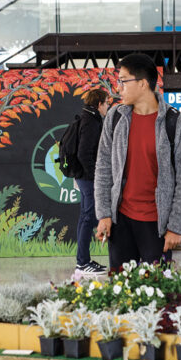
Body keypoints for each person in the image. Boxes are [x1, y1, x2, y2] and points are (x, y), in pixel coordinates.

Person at [94, 53, 181, 272]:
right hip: (120, 221)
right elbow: (103, 168)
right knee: (120, 292)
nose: (118, 87)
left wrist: (176, 227)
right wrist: (104, 214)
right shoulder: (115, 118)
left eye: (123, 80)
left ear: (143, 83)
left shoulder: (179, 125)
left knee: (157, 295)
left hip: (157, 226)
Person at [70, 88, 112, 277]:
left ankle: (83, 261)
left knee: (85, 218)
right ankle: (83, 263)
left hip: (83, 176)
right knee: (88, 218)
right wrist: (96, 177)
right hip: (87, 177)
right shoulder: (91, 122)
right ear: (99, 104)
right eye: (106, 103)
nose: (108, 106)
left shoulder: (89, 118)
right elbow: (84, 154)